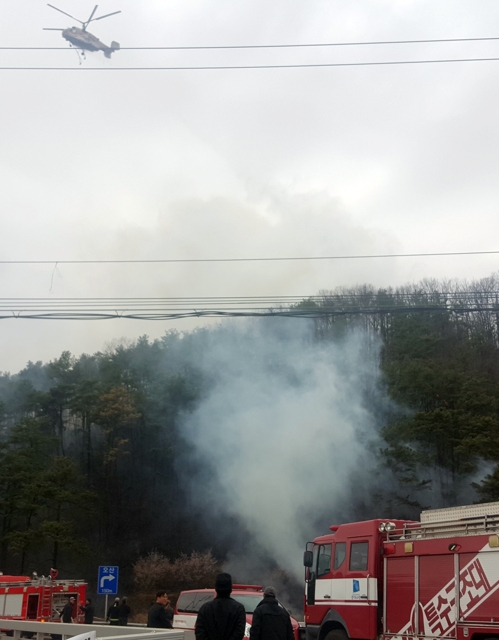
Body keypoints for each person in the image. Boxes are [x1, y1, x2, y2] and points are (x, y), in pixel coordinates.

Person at [195, 573, 246, 640]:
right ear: (230, 589)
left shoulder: (205, 608)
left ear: (216, 588)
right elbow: (239, 632)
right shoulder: (239, 608)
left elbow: (199, 632)